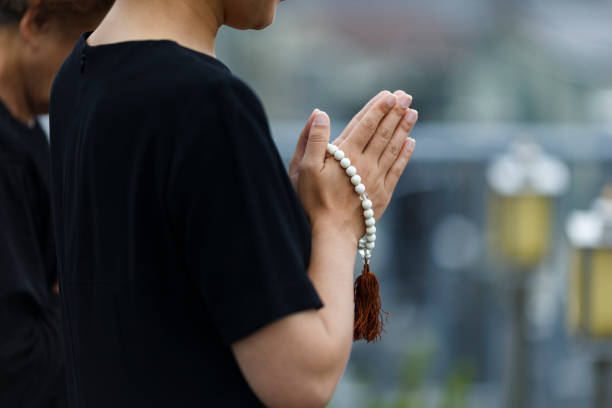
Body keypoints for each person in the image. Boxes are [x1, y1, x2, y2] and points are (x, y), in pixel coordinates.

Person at [49, 0, 418, 407]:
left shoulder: (77, 76)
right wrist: (338, 222)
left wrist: (277, 219)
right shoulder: (207, 105)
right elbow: (302, 379)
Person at [0, 1, 113, 407]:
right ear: (37, 23)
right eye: (83, 51)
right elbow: (18, 365)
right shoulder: (7, 155)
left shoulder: (28, 134)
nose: (91, 74)